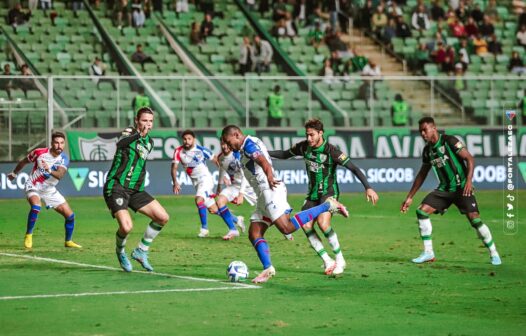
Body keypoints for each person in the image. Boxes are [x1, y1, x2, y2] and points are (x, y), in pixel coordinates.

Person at [221, 125, 350, 283]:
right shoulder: (245, 145)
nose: (228, 145)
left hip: (270, 190)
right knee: (254, 233)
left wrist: (269, 176)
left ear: (236, 135)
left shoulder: (248, 145)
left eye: (229, 141)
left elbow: (263, 162)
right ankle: (268, 268)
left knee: (287, 227)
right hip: (262, 195)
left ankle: (327, 206)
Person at [268, 119, 378, 276]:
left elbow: (353, 168)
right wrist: (263, 153)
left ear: (321, 133)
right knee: (305, 226)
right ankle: (327, 260)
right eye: (307, 135)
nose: (309, 139)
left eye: (312, 135)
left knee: (322, 223)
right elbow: (285, 154)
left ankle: (340, 260)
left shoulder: (331, 151)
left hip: (329, 193)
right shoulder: (303, 146)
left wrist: (368, 187)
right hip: (312, 194)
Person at [400, 117, 501, 266]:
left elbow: (469, 158)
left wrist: (469, 180)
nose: (422, 134)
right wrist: (409, 197)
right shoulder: (428, 151)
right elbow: (422, 173)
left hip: (461, 188)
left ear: (434, 128)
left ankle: (494, 252)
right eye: (420, 131)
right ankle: (428, 252)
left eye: (424, 130)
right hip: (444, 190)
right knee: (421, 211)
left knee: (475, 220)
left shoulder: (450, 141)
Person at [104, 107, 169, 272]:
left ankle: (141, 251)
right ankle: (120, 252)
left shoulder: (150, 142)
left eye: (150, 121)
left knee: (162, 217)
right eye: (144, 120)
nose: (147, 124)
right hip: (117, 186)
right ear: (136, 121)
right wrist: (138, 134)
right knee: (126, 227)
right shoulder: (129, 132)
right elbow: (120, 144)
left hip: (136, 190)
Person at [7, 132, 81, 249]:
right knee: (36, 206)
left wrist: (49, 170)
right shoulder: (39, 152)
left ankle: (68, 241)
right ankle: (29, 235)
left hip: (49, 190)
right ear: (51, 143)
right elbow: (24, 161)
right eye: (56, 143)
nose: (59, 146)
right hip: (33, 185)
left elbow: (60, 175)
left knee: (70, 216)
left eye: (62, 143)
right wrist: (14, 173)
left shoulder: (64, 158)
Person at [171, 130, 243, 239]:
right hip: (196, 183)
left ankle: (204, 229)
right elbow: (174, 167)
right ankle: (237, 219)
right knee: (213, 209)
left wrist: (224, 176)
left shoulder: (201, 150)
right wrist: (175, 182)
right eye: (185, 139)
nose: (187, 141)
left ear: (193, 140)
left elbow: (217, 160)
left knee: (199, 199)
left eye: (189, 139)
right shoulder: (178, 151)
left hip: (205, 179)